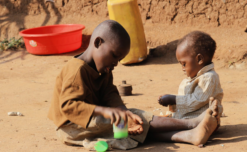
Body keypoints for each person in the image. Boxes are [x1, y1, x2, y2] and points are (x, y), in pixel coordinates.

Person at [48, 21, 220, 150]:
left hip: (88, 123)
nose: (115, 63)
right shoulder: (76, 70)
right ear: (98, 43)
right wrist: (108, 111)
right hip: (71, 127)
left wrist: (123, 110)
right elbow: (68, 106)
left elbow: (109, 92)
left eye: (119, 59)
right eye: (114, 55)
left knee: (133, 124)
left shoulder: (103, 70)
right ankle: (191, 124)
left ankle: (191, 136)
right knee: (135, 118)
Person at [158, 31, 223, 121]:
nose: (182, 68)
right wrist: (171, 101)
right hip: (188, 117)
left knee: (164, 127)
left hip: (198, 118)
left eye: (184, 64)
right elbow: (187, 99)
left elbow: (197, 101)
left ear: (199, 59)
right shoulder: (192, 79)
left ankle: (211, 118)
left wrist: (174, 99)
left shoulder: (209, 77)